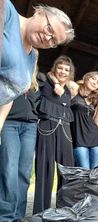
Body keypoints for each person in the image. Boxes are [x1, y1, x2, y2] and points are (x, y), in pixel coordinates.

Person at [1, 2, 74, 133]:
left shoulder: (32, 57)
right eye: (50, 29)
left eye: (53, 41)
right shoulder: (6, 10)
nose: (47, 38)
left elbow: (8, 94)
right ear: (39, 12)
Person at [34, 55, 75, 214]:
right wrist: (55, 82)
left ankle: (64, 209)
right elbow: (39, 74)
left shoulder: (68, 92)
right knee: (45, 167)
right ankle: (41, 211)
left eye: (67, 69)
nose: (63, 72)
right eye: (60, 68)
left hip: (65, 130)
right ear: (54, 68)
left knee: (67, 170)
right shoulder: (45, 81)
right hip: (47, 127)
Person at [0, 62, 39, 222]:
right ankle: (5, 214)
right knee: (9, 168)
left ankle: (18, 214)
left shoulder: (36, 85)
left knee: (24, 171)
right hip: (10, 124)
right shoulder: (9, 76)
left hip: (30, 127)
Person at [70, 71, 98, 169]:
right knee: (84, 173)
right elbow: (65, 81)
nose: (95, 82)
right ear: (86, 77)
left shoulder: (94, 100)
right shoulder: (75, 90)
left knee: (94, 174)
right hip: (79, 138)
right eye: (93, 78)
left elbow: (95, 123)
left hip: (95, 138)